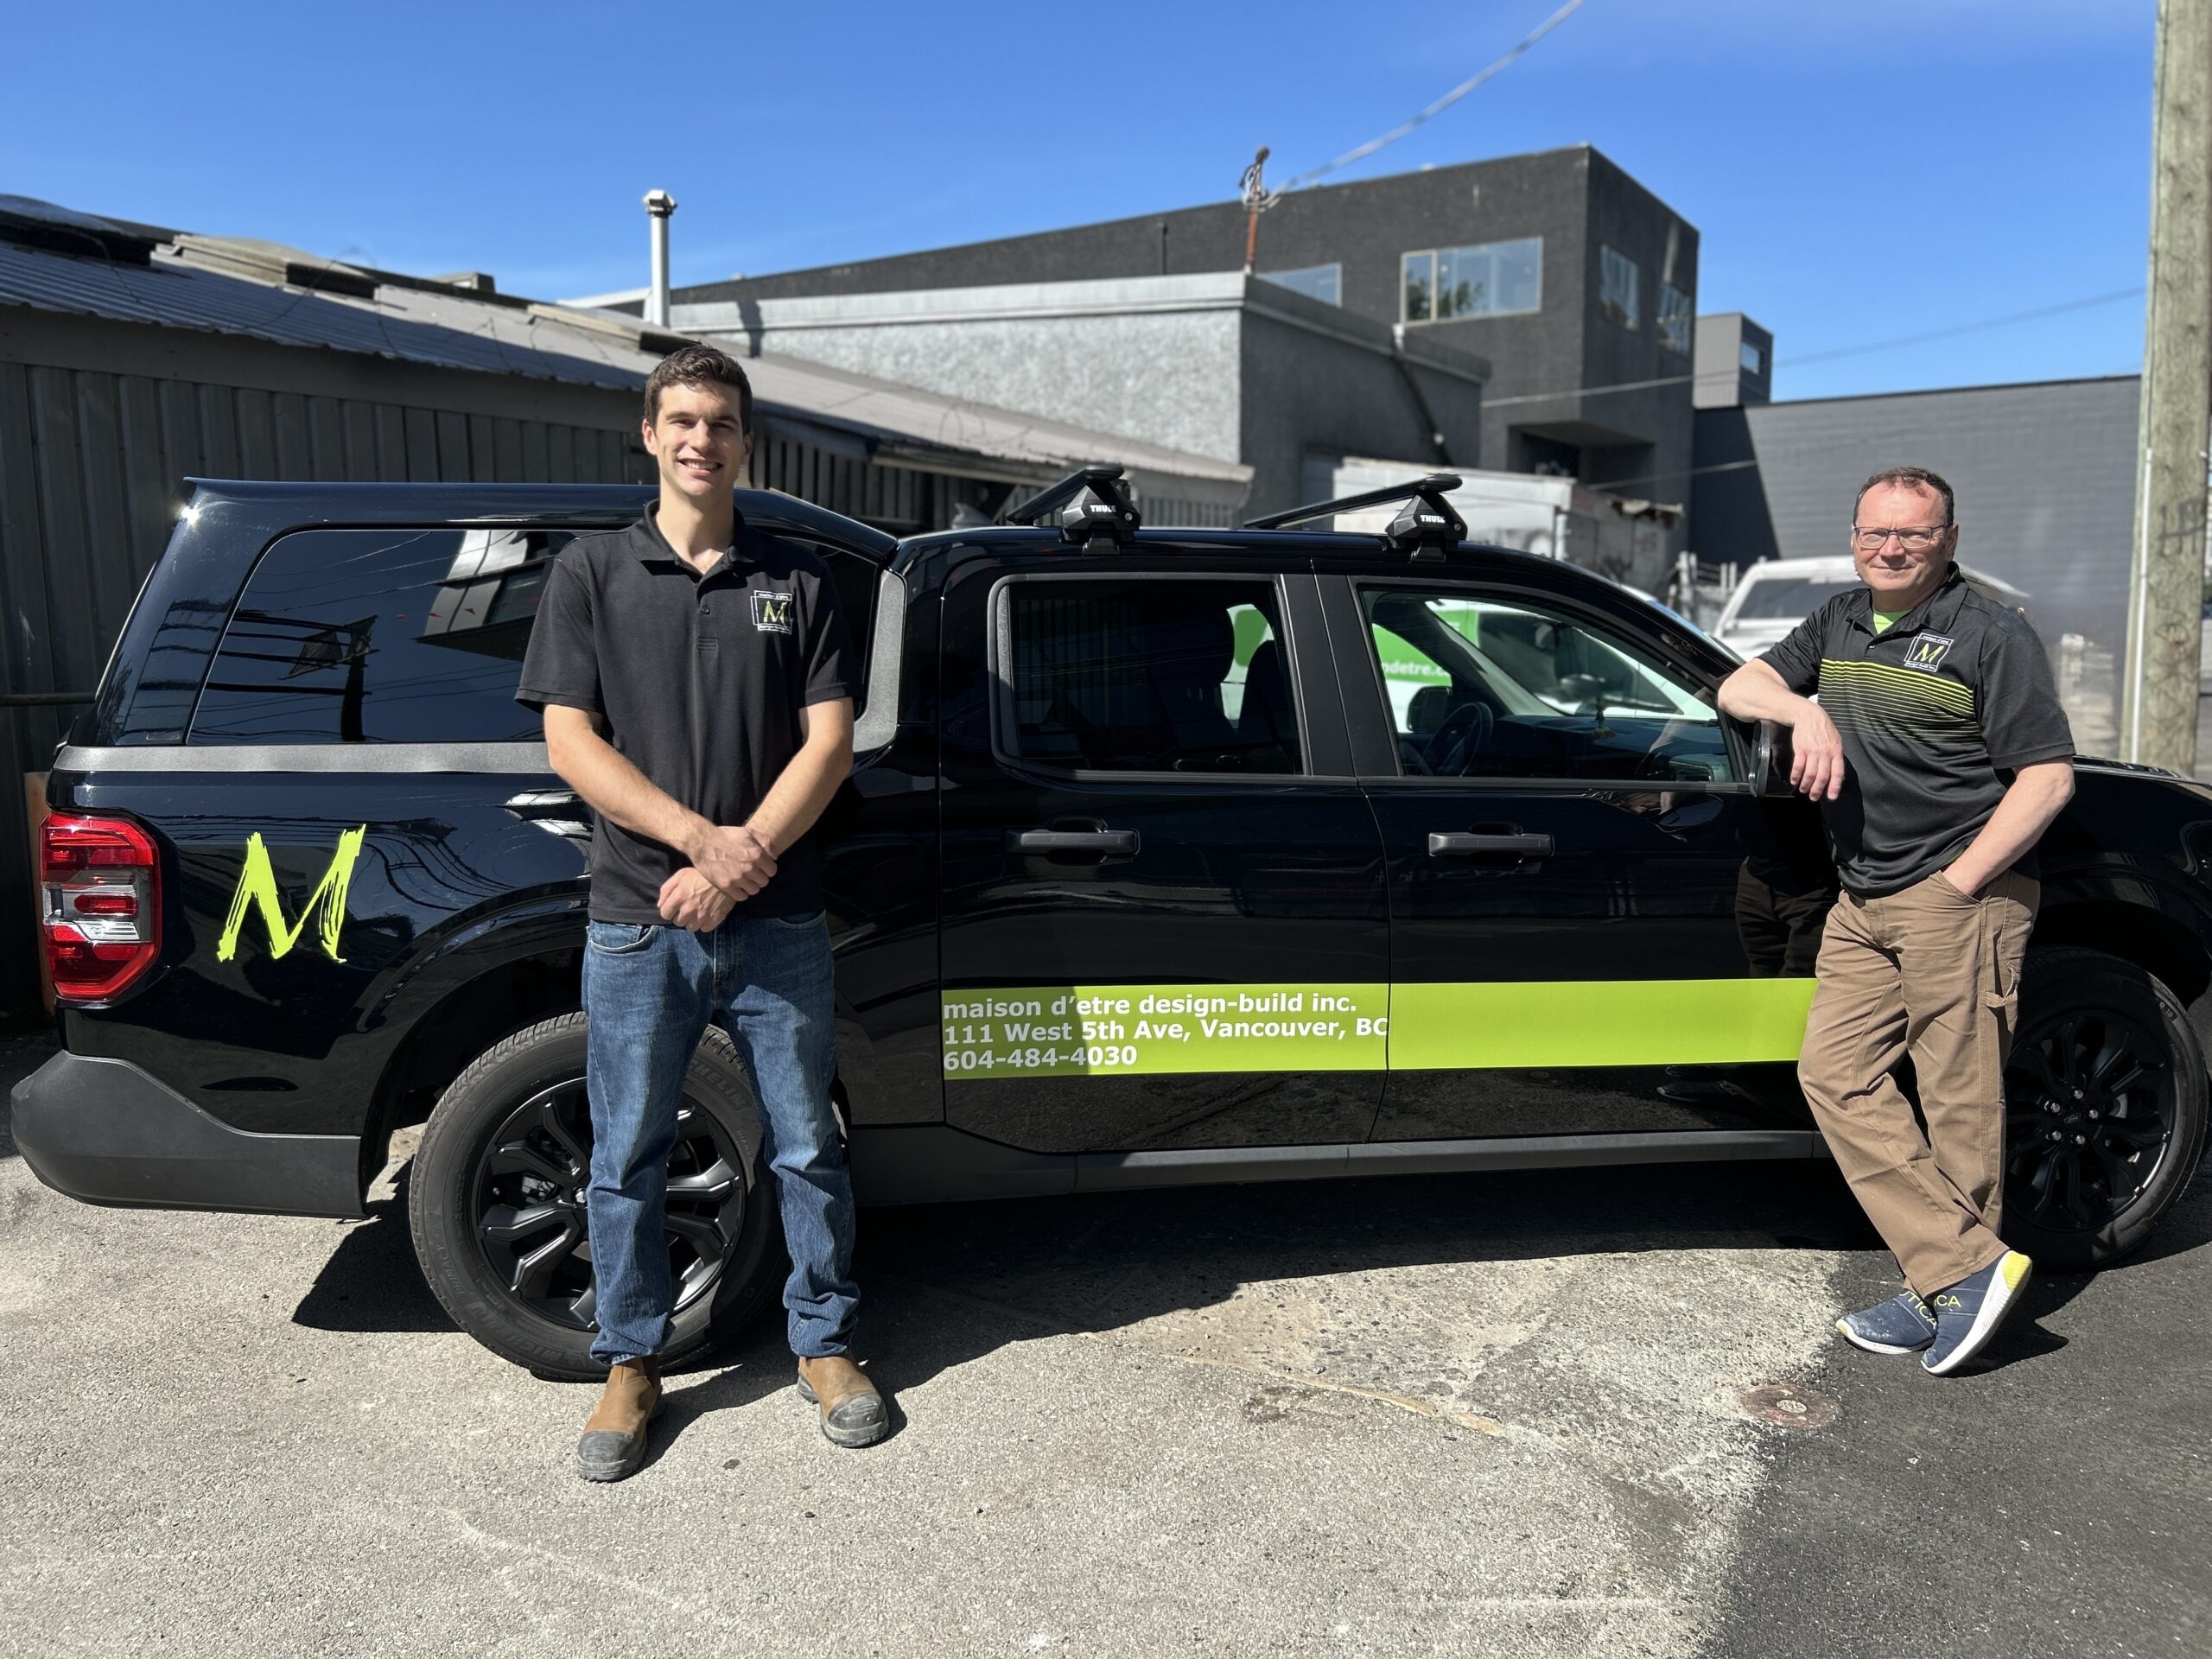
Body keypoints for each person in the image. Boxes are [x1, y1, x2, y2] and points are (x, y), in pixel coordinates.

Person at [518, 343, 887, 1480]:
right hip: (638, 916)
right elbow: (568, 740)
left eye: (720, 421)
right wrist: (698, 846)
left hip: (777, 919)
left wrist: (743, 864)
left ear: (744, 440)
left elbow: (829, 743)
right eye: (681, 419)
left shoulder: (801, 583)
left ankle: (823, 1345)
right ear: (649, 434)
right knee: (624, 1150)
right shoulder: (589, 574)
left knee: (808, 1142)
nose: (700, 438)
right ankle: (630, 1363)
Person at [1717, 466, 2075, 1376]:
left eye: (1911, 535)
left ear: (1948, 541)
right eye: (1874, 533)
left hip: (1957, 894)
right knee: (1833, 1075)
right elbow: (1737, 687)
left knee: (1959, 1101)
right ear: (1853, 537)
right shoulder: (1837, 620)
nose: (1890, 549)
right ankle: (1963, 1270)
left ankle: (1952, 1290)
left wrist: (1960, 884)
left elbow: (2047, 777)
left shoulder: (1990, 633)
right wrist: (1805, 713)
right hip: (1862, 893)